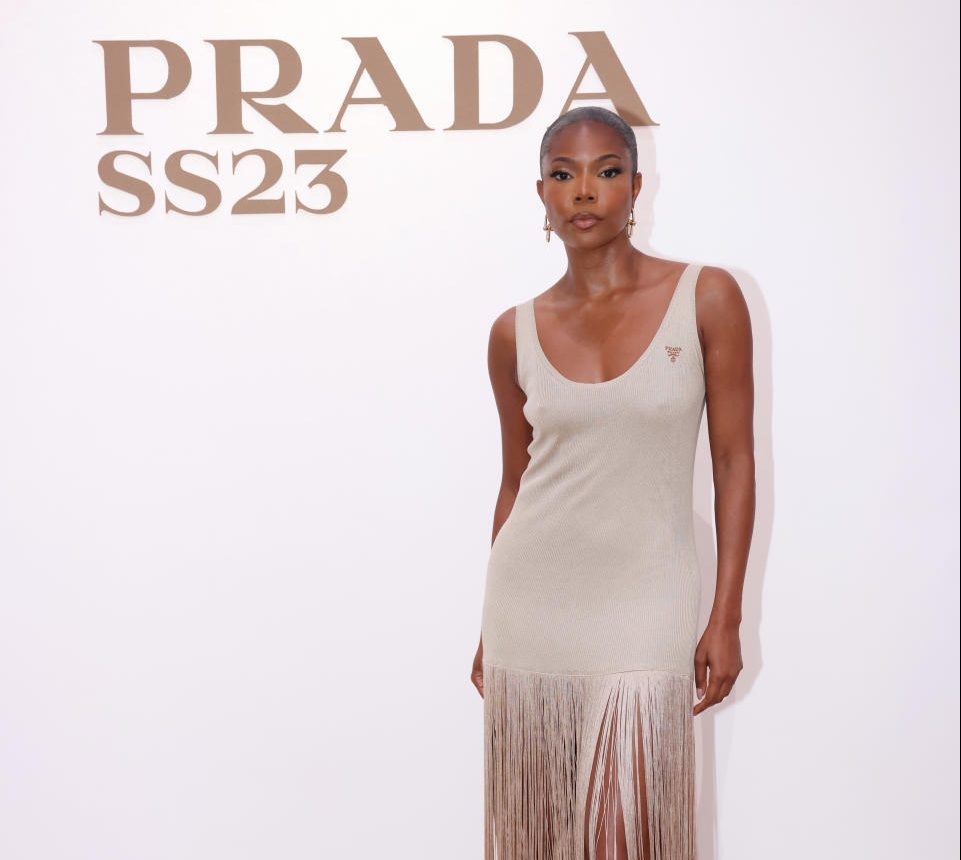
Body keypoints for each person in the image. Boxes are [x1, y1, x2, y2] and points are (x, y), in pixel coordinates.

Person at [471, 106, 755, 860]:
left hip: (646, 607)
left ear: (636, 186)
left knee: (628, 837)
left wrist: (726, 616)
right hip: (530, 610)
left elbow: (733, 461)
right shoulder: (512, 331)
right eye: (562, 175)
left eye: (605, 171)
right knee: (538, 843)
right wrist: (487, 628)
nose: (583, 190)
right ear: (541, 193)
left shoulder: (706, 297)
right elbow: (515, 481)